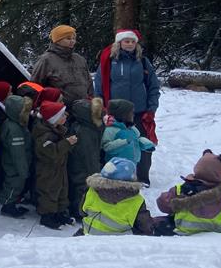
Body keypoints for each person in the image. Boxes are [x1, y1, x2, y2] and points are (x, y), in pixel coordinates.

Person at [94, 30, 160, 183]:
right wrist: (102, 110)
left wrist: (151, 109)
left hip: (138, 112)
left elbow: (154, 87)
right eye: (126, 41)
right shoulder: (109, 62)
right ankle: (111, 173)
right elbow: (99, 86)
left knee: (141, 142)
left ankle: (142, 177)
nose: (130, 44)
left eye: (132, 41)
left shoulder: (143, 62)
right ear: (119, 43)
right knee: (112, 144)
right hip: (114, 112)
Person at [77, 157, 154, 236]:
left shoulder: (92, 191)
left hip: (89, 234)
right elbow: (145, 226)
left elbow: (82, 211)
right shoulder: (136, 201)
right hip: (119, 242)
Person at [32, 100, 77, 229]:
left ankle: (60, 212)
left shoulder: (57, 130)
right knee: (49, 191)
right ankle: (47, 216)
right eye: (62, 115)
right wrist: (67, 143)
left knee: (62, 189)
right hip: (48, 169)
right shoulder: (44, 135)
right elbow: (52, 152)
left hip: (59, 167)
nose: (66, 116)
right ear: (54, 119)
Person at [30, 25, 93, 106]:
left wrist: (91, 101)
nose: (72, 41)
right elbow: (35, 86)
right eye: (68, 38)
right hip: (59, 110)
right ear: (58, 40)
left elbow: (89, 83)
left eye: (74, 38)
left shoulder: (79, 59)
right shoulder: (46, 60)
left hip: (83, 109)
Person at [67, 97, 105, 220]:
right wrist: (95, 171)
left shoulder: (83, 125)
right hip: (83, 165)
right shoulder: (86, 131)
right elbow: (89, 154)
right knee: (81, 186)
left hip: (80, 162)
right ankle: (78, 211)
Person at [0, 94, 33, 218]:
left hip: (15, 161)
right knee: (14, 184)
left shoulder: (15, 123)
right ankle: (7, 205)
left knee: (15, 183)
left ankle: (10, 203)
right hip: (15, 164)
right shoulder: (14, 129)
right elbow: (18, 153)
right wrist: (23, 170)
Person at [101, 99, 153, 167]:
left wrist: (147, 144)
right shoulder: (111, 130)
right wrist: (124, 142)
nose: (133, 115)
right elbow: (107, 147)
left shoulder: (132, 128)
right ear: (123, 114)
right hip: (115, 166)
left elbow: (137, 139)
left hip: (132, 164)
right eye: (131, 113)